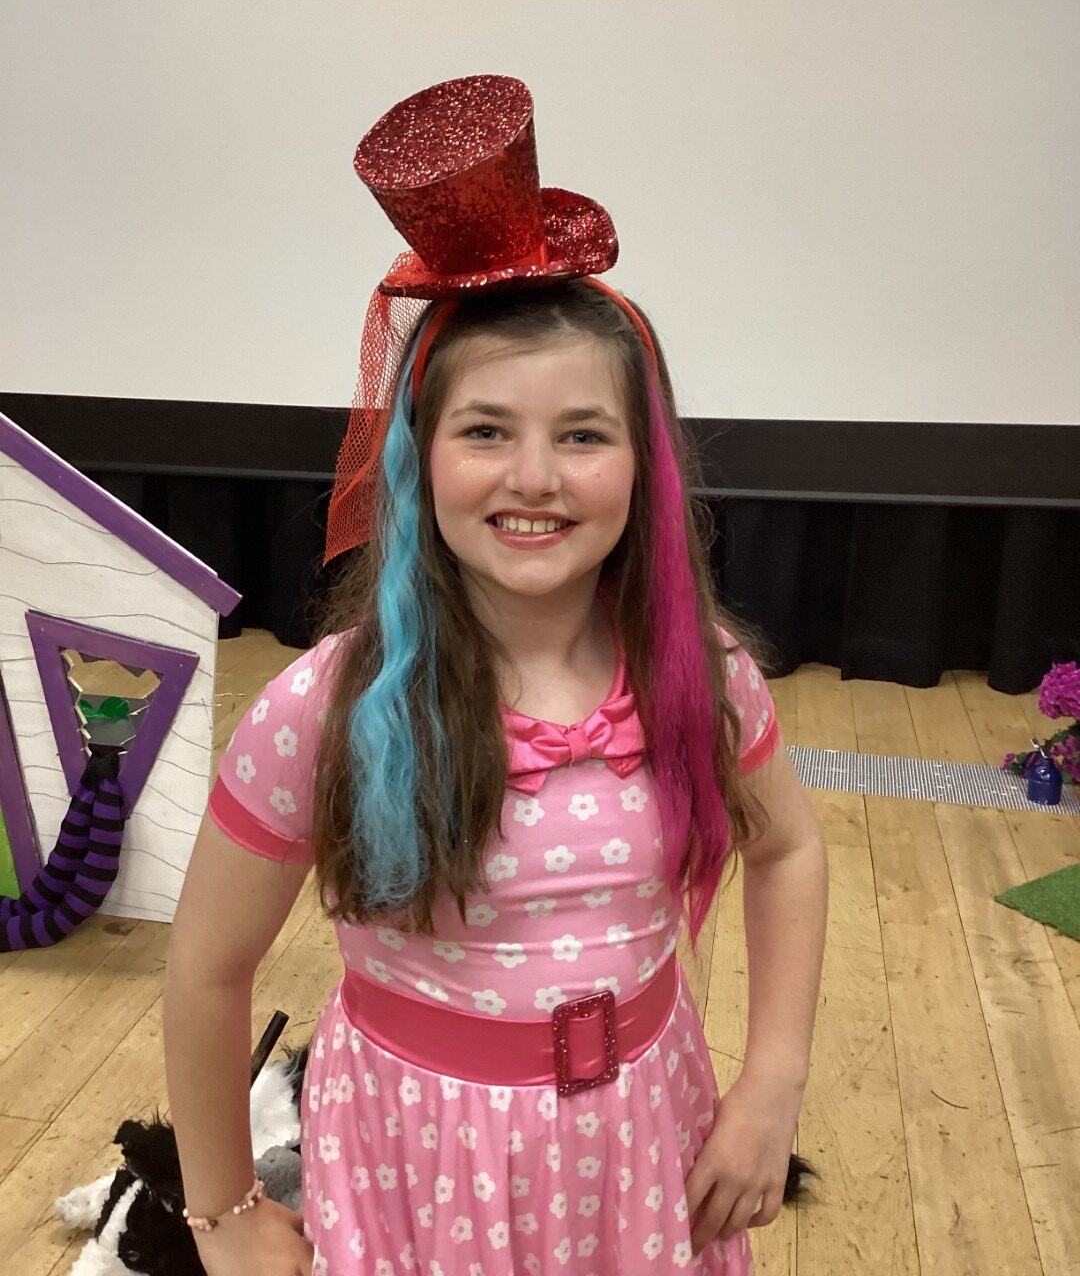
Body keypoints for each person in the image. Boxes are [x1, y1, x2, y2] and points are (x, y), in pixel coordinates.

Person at [164, 74, 828, 1276]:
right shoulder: (326, 708)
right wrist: (222, 1212)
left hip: (644, 1152)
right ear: (417, 461)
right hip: (419, 1166)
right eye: (485, 431)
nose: (535, 477)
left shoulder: (703, 677)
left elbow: (787, 851)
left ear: (643, 465)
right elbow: (209, 969)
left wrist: (771, 1085)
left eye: (583, 434)